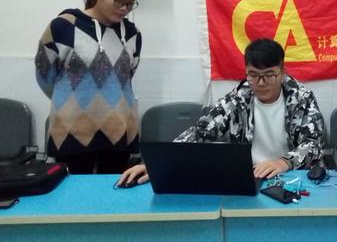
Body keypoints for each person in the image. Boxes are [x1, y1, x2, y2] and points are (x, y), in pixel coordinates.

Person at [118, 38, 325, 186]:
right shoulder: (239, 97)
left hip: (291, 177)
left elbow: (313, 144)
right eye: (253, 75)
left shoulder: (301, 98)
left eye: (269, 75)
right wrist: (160, 163)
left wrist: (284, 162)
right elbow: (201, 132)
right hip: (248, 177)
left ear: (282, 71)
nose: (261, 83)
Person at [35, 0, 143, 174]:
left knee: (113, 190)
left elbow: (126, 78)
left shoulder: (132, 34)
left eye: (130, 4)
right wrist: (73, 100)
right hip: (71, 132)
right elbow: (45, 76)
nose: (124, 9)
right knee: (72, 193)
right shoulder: (63, 26)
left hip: (119, 132)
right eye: (118, 0)